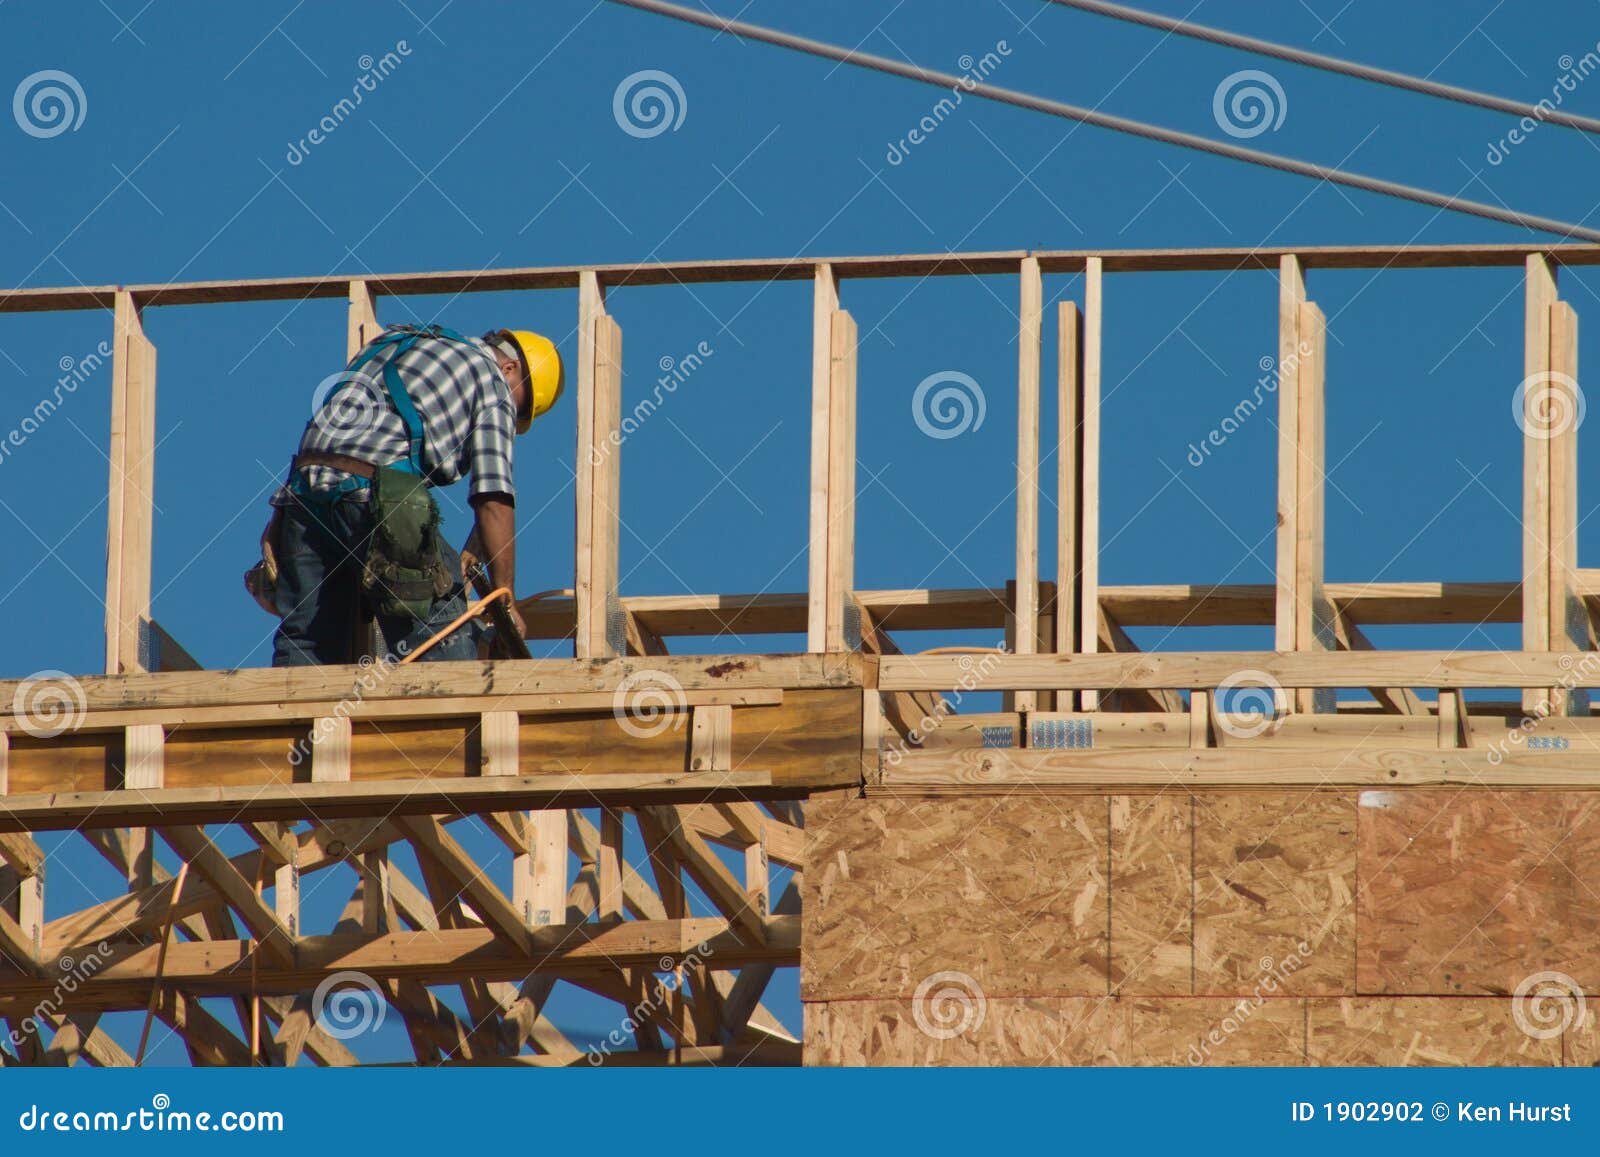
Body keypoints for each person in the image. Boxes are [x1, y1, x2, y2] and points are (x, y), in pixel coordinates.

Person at [264, 324, 562, 666]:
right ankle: (452, 699)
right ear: (509, 368)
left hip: (302, 497)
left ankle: (296, 703)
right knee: (444, 636)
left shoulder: (393, 343)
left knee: (307, 643)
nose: (512, 416)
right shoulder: (491, 381)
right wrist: (504, 598)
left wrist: (280, 517)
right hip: (371, 493)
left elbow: (331, 436)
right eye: (519, 407)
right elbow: (493, 496)